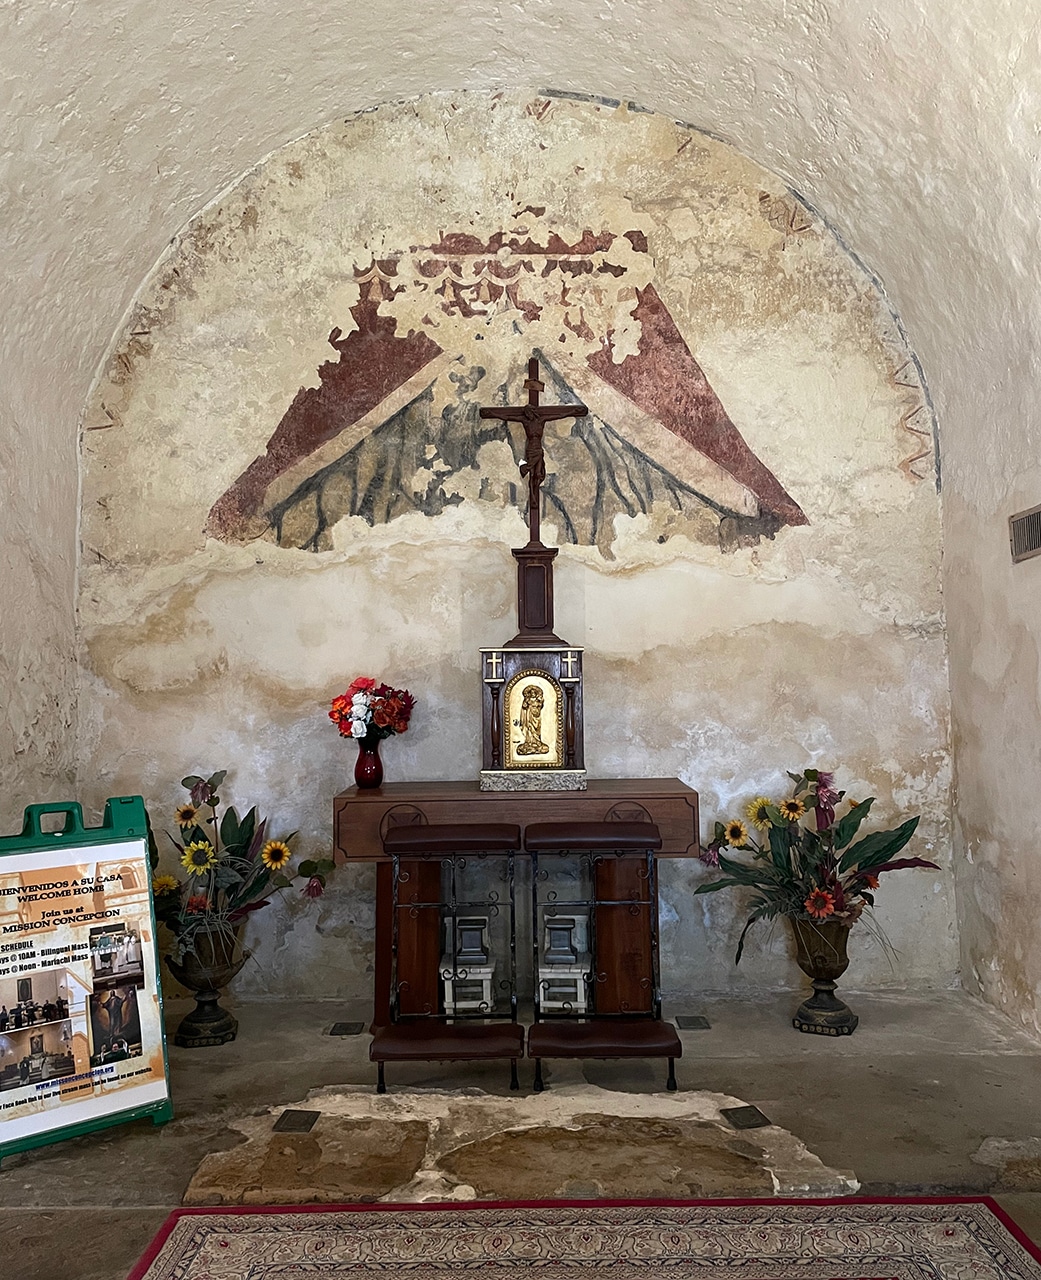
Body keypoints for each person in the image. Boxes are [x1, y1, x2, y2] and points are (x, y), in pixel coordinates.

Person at [515, 684, 549, 756]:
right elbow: (524, 706)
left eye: (534, 693)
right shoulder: (528, 700)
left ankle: (537, 741)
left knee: (537, 729)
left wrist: (540, 701)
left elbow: (541, 706)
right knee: (529, 728)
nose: (533, 694)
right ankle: (529, 742)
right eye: (531, 693)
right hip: (529, 715)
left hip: (536, 716)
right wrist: (526, 703)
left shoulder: (538, 700)